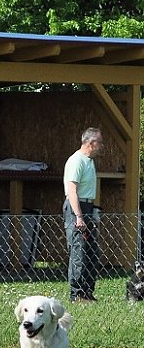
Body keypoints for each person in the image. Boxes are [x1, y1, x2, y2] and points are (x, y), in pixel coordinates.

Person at [63, 127, 103, 303]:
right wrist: (78, 216)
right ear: (91, 143)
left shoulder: (89, 161)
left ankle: (87, 292)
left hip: (88, 206)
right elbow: (72, 190)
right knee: (78, 250)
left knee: (91, 251)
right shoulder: (76, 160)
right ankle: (77, 294)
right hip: (76, 207)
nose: (102, 146)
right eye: (100, 142)